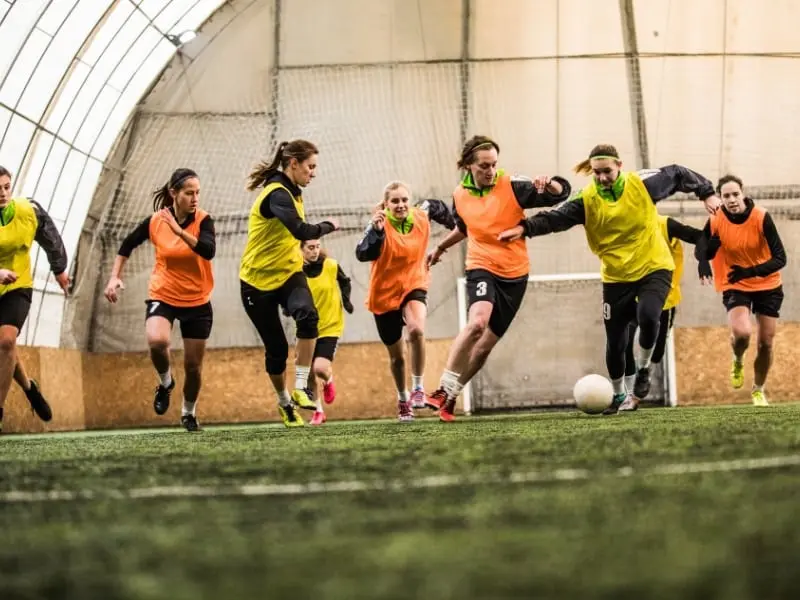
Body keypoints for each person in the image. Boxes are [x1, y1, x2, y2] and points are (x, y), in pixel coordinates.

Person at [498, 144, 720, 415]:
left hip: (654, 265)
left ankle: (643, 369)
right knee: (616, 342)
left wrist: (706, 192)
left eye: (607, 172)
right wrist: (524, 228)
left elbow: (677, 173)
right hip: (616, 276)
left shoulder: (642, 184)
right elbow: (555, 219)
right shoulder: (587, 198)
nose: (602, 178)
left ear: (619, 166)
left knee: (650, 315)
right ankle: (617, 395)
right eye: (596, 173)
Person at [425, 135, 572, 422]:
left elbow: (560, 193)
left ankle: (451, 396)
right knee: (477, 323)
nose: (490, 171)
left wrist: (550, 183)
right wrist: (440, 247)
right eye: (484, 166)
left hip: (515, 274)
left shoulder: (512, 186)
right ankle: (443, 388)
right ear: (468, 165)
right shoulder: (459, 195)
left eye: (494, 164)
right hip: (481, 264)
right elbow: (465, 228)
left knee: (483, 349)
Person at [104, 168, 215, 432]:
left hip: (197, 299)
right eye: (189, 193)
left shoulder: (203, 220)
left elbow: (208, 250)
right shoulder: (155, 221)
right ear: (173, 193)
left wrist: (179, 231)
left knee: (193, 366)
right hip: (163, 293)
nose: (195, 198)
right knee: (157, 341)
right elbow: (126, 246)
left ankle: (188, 413)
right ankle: (165, 383)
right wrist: (113, 277)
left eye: (197, 193)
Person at [240, 140, 339, 428]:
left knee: (308, 316)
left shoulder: (294, 192)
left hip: (287, 274)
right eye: (311, 166)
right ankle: (285, 402)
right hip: (256, 283)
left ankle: (301, 387)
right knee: (277, 351)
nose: (314, 173)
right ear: (293, 164)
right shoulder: (277, 195)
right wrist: (329, 225)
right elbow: (301, 231)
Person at [356, 182, 455, 421]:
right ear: (386, 205)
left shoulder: (421, 214)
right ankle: (403, 398)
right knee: (397, 357)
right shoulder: (378, 225)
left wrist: (458, 227)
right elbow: (362, 253)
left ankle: (419, 388)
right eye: (395, 201)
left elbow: (439, 208)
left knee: (417, 330)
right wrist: (377, 231)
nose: (400, 205)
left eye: (404, 200)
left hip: (413, 282)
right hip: (384, 294)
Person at [695, 174, 786, 406]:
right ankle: (737, 357)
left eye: (735, 194)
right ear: (720, 198)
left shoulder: (761, 217)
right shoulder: (716, 218)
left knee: (766, 343)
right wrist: (703, 261)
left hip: (768, 283)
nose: (732, 199)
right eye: (726, 196)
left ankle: (758, 390)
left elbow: (780, 258)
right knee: (742, 333)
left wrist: (751, 271)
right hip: (735, 282)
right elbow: (702, 245)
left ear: (743, 193)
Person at [0, 165, 69, 432]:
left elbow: (49, 235)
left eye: (7, 187)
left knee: (6, 341)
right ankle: (30, 388)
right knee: (4, 346)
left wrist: (60, 270)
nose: (3, 193)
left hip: (18, 286)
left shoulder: (28, 210)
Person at [620, 213, 709, 411]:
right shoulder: (621, 227)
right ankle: (627, 395)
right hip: (632, 296)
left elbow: (699, 236)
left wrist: (703, 261)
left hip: (664, 299)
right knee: (622, 341)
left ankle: (643, 374)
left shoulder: (664, 224)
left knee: (657, 351)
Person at [300, 238, 354, 426]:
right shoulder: (296, 272)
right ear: (301, 250)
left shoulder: (331, 265)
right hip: (307, 327)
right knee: (307, 373)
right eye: (310, 248)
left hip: (330, 325)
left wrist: (346, 302)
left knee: (320, 368)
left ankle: (328, 380)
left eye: (317, 247)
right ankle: (318, 411)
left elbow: (345, 282)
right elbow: (289, 292)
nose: (314, 251)